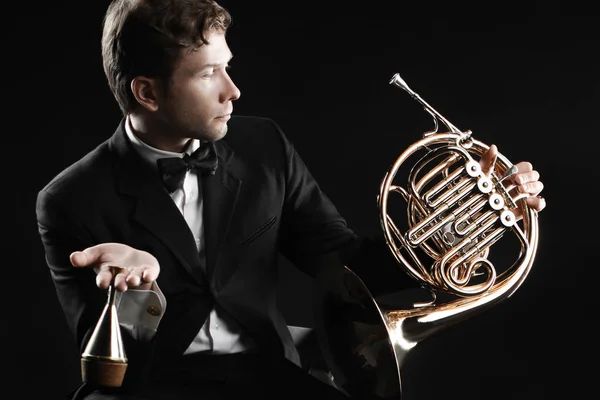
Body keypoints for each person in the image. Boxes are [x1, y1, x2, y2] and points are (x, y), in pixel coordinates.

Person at [35, 1, 546, 399]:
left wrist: (457, 225)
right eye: (207, 74)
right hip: (151, 386)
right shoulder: (69, 199)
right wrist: (136, 292)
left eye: (227, 66)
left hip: (265, 376)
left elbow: (341, 263)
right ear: (147, 93)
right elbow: (108, 367)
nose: (233, 90)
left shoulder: (264, 148)